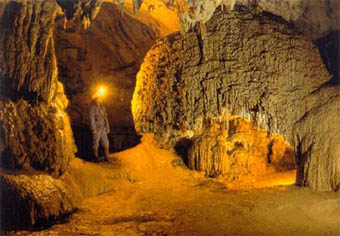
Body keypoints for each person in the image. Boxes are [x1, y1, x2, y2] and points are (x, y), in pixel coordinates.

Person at [89, 92, 110, 162]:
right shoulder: (93, 106)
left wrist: (107, 126)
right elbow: (91, 117)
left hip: (103, 128)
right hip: (97, 128)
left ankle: (107, 157)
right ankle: (95, 158)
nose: (102, 99)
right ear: (97, 98)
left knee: (106, 143)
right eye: (100, 98)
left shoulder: (101, 106)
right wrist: (93, 128)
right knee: (96, 143)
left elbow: (105, 117)